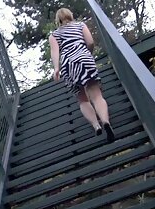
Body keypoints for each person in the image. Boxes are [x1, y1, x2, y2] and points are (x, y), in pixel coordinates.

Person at [49, 7, 114, 142]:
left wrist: (56, 68)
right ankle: (105, 121)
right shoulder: (80, 25)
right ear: (70, 15)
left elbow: (55, 52)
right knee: (96, 95)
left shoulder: (54, 35)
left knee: (83, 99)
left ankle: (96, 125)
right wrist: (87, 53)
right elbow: (90, 42)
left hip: (68, 64)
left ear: (58, 20)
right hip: (84, 58)